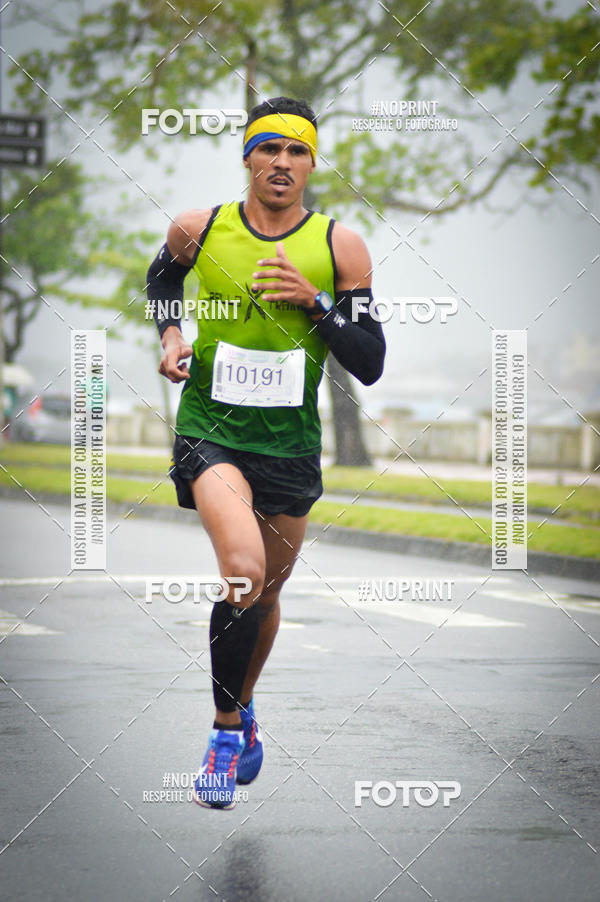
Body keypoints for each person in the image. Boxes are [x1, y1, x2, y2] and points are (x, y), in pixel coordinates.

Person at [147, 96, 385, 809]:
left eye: (298, 151)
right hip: (211, 429)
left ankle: (243, 709)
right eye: (269, 148)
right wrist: (170, 336)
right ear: (248, 156)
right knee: (245, 574)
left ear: (312, 163)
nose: (282, 163)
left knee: (268, 594)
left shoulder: (341, 246)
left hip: (289, 446)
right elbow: (163, 280)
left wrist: (315, 302)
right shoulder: (200, 227)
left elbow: (369, 360)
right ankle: (223, 734)